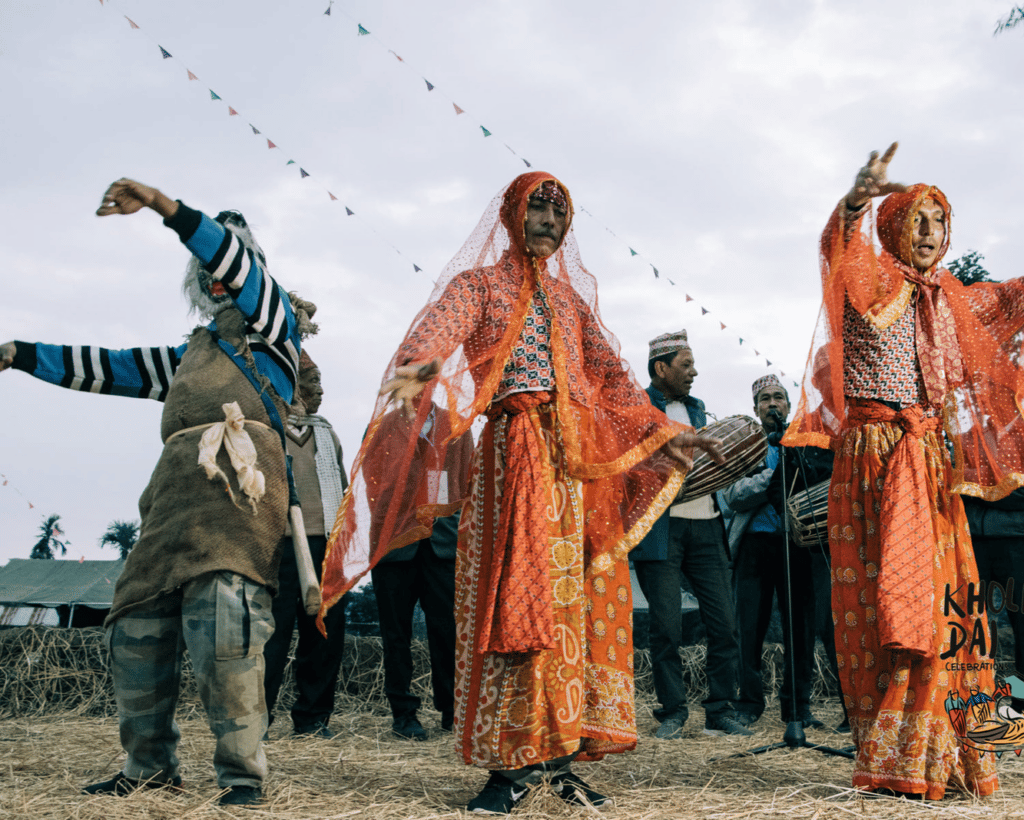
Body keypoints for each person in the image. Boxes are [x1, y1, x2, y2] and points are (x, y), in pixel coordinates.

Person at [317, 172, 724, 814]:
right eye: (538, 207)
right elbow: (432, 342)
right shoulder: (478, 286)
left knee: (576, 609)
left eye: (560, 213)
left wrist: (663, 434)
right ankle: (510, 766)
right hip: (514, 463)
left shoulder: (568, 302)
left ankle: (560, 759)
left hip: (576, 471)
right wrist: (415, 373)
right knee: (520, 607)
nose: (550, 221)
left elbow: (614, 382)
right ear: (511, 214)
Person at [0, 178, 314, 806]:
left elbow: (231, 256)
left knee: (227, 628)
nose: (215, 272)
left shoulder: (275, 324)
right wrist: (18, 352)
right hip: (171, 504)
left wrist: (163, 205)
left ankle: (242, 778)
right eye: (204, 266)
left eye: (224, 260)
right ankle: (147, 767)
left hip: (238, 502)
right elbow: (107, 366)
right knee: (135, 628)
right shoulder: (187, 356)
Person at [785, 143, 1024, 798]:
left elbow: (1012, 299)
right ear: (893, 228)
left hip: (926, 463)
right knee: (883, 604)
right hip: (872, 460)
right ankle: (896, 760)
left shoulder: (951, 299)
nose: (930, 233)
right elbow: (837, 245)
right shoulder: (868, 276)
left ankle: (973, 755)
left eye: (939, 221)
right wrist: (858, 199)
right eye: (917, 219)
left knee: (956, 605)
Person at [631, 330, 750, 739]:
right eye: (686, 365)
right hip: (661, 531)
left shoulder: (699, 409)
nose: (694, 372)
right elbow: (629, 468)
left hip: (707, 527)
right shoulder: (637, 408)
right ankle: (672, 712)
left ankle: (720, 710)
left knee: (725, 623)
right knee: (666, 626)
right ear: (661, 368)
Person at [722, 374, 831, 730]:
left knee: (800, 628)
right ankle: (748, 703)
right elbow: (733, 495)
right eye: (765, 399)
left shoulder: (803, 443)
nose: (773, 404)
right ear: (755, 408)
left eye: (779, 397)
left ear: (788, 404)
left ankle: (798, 709)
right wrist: (773, 477)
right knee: (748, 627)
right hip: (755, 544)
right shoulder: (744, 445)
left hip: (798, 546)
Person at [367, 402, 474, 741]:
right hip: (394, 545)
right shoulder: (383, 426)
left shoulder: (455, 425)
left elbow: (468, 482)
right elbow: (371, 483)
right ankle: (404, 714)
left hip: (442, 545)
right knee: (396, 635)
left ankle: (451, 711)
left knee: (447, 633)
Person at [262, 350, 349, 739]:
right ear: (292, 387)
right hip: (277, 546)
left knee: (323, 636)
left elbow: (343, 489)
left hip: (325, 547)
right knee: (271, 636)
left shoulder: (327, 434)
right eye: (313, 383)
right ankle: (256, 719)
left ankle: (313, 719)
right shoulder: (266, 428)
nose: (321, 391)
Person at [963, 489, 1024, 682]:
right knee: (966, 619)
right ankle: (972, 691)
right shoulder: (966, 457)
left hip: (1016, 540)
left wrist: (978, 491)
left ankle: (1020, 698)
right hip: (971, 539)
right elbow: (954, 486)